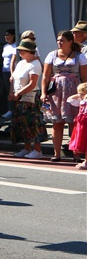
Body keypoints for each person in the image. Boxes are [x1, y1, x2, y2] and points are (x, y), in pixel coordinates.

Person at [41, 30, 87, 162]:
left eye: (62, 41)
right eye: (58, 40)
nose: (59, 43)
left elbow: (84, 77)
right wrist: (44, 92)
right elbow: (45, 75)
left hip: (73, 91)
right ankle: (57, 153)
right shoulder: (52, 55)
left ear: (70, 42)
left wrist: (83, 95)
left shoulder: (80, 56)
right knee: (57, 123)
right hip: (56, 91)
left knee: (74, 122)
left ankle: (76, 153)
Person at [10, 39, 45, 159]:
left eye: (22, 50)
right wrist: (12, 92)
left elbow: (32, 83)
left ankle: (37, 149)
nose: (20, 52)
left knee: (32, 123)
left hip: (30, 97)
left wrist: (19, 93)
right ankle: (27, 148)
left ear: (30, 51)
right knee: (22, 123)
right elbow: (13, 78)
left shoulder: (35, 64)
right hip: (19, 97)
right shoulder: (21, 63)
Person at [67, 82, 87, 169]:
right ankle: (86, 161)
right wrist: (79, 95)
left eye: (82, 93)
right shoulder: (81, 101)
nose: (80, 95)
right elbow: (70, 99)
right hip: (82, 124)